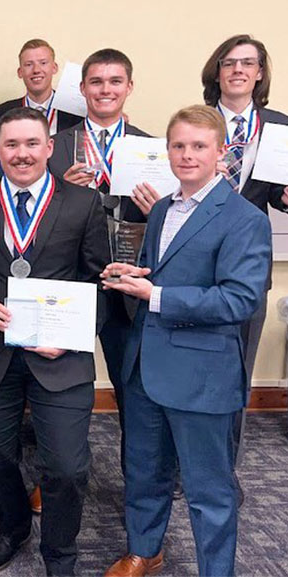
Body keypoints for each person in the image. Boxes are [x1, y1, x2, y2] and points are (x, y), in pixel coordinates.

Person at [102, 105, 272, 577]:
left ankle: (216, 570)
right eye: (178, 145)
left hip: (201, 374)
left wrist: (154, 293)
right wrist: (138, 274)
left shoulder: (244, 219)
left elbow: (238, 300)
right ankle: (145, 550)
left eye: (199, 146)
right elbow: (171, 272)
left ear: (222, 153)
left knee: (207, 489)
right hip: (146, 365)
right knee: (142, 471)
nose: (187, 155)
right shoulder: (161, 209)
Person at [0, 107, 108, 575]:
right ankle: (13, 525)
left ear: (48, 148)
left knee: (66, 468)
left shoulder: (84, 203)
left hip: (59, 357)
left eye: (31, 144)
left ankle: (59, 553)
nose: (21, 154)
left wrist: (74, 334)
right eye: (11, 145)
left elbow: (100, 281)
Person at [45, 50, 158, 501]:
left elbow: (177, 223)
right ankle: (54, 478)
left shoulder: (152, 146)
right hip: (72, 281)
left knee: (134, 391)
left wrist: (159, 209)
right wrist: (62, 193)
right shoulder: (54, 145)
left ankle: (140, 482)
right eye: (96, 81)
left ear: (129, 87)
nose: (105, 89)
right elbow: (34, 216)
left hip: (130, 285)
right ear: (83, 89)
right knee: (57, 389)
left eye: (115, 81)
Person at [201, 34, 288, 490]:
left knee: (237, 374)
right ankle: (186, 464)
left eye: (247, 63)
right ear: (216, 71)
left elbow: (279, 195)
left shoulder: (280, 129)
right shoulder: (196, 123)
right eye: (229, 62)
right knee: (194, 371)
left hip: (248, 265)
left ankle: (222, 472)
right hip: (195, 263)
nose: (237, 70)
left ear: (259, 73)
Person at [0, 38, 82, 134]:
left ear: (54, 68)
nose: (36, 70)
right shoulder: (2, 113)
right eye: (29, 64)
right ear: (20, 72)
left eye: (43, 63)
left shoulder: (75, 112)